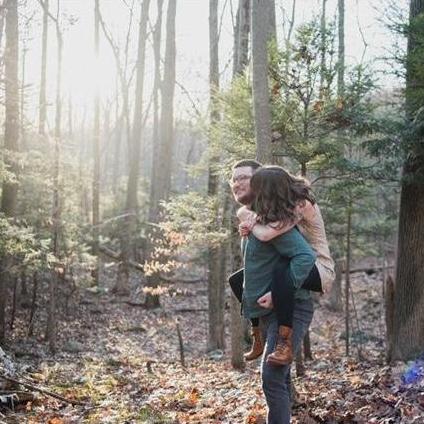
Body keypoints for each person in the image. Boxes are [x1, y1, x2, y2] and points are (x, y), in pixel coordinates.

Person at [232, 162, 317, 424]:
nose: (237, 183)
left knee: (271, 376)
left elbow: (305, 256)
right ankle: (256, 332)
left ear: (259, 184)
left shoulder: (277, 224)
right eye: (233, 179)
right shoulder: (255, 218)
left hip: (288, 309)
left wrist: (281, 293)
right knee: (236, 279)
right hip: (268, 314)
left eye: (244, 178)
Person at [229, 161, 335, 366]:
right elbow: (252, 215)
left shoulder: (300, 205)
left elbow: (268, 233)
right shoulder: (281, 205)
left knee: (280, 273)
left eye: (259, 188)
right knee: (238, 280)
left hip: (317, 267)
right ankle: (257, 332)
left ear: (270, 189)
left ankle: (284, 343)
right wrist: (249, 222)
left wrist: (252, 225)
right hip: (298, 262)